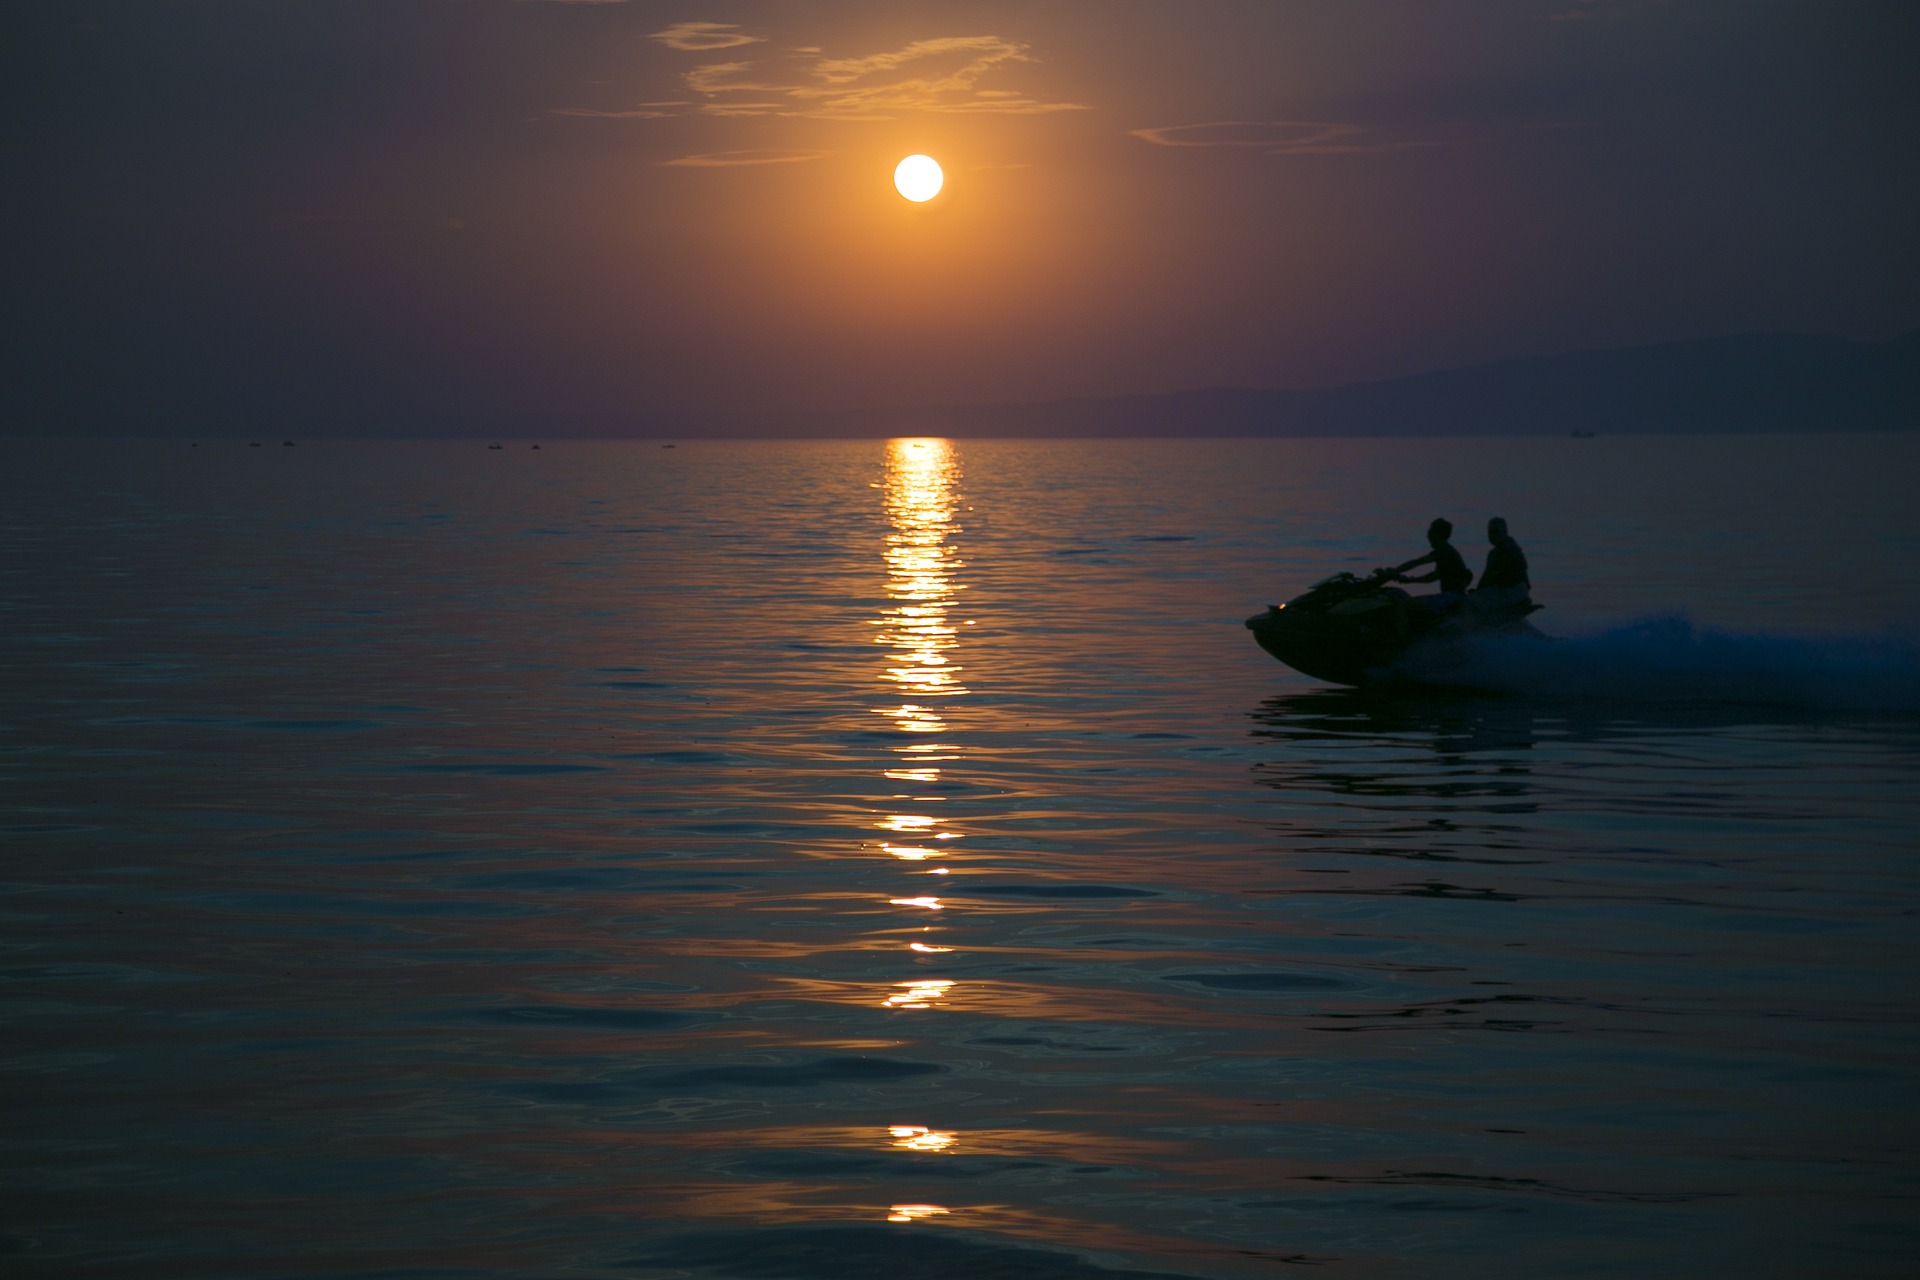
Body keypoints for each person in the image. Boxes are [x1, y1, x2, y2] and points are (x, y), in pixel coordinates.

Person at [1387, 518, 1472, 599]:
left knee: (1406, 604)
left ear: (1438, 534)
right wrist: (1410, 580)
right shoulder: (1448, 553)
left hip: (1451, 597)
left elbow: (1417, 562)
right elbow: (1432, 577)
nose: (1428, 536)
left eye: (1430, 532)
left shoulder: (1443, 551)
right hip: (1454, 596)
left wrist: (1395, 570)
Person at [1470, 516, 1531, 613]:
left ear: (1505, 532)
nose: (1493, 535)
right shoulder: (1510, 547)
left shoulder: (1504, 550)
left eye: (1496, 531)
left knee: (1473, 601)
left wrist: (1477, 592)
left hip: (1513, 592)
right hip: (1518, 591)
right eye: (1490, 532)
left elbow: (1489, 576)